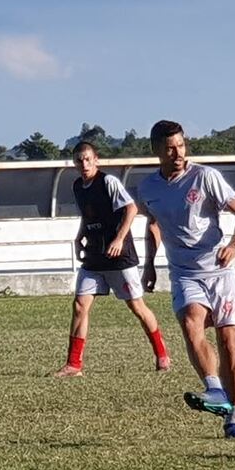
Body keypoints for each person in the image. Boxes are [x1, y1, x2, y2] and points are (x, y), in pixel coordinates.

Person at [137, 120, 235, 440]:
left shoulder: (205, 177)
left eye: (181, 146)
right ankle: (214, 390)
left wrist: (232, 246)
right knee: (191, 321)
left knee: (229, 344)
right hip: (184, 272)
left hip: (219, 272)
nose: (177, 153)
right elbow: (154, 224)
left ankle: (234, 420)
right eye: (169, 148)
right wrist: (149, 264)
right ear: (156, 151)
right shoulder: (148, 188)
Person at [53, 141, 171, 377]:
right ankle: (74, 364)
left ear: (96, 160)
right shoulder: (78, 186)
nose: (84, 164)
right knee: (79, 306)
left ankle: (162, 355)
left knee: (137, 307)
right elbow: (87, 217)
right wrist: (79, 237)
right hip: (95, 256)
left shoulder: (108, 182)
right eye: (79, 160)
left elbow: (131, 209)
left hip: (119, 257)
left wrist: (119, 239)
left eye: (88, 159)